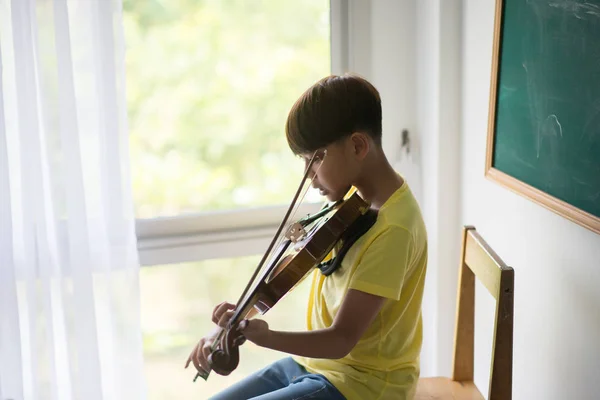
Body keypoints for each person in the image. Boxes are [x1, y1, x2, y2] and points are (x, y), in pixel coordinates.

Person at [185, 73, 428, 400]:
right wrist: (232, 323)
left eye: (314, 159)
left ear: (357, 145)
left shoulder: (394, 228)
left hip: (362, 386)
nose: (308, 176)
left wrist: (265, 337)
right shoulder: (354, 205)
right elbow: (287, 275)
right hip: (311, 366)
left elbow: (342, 339)